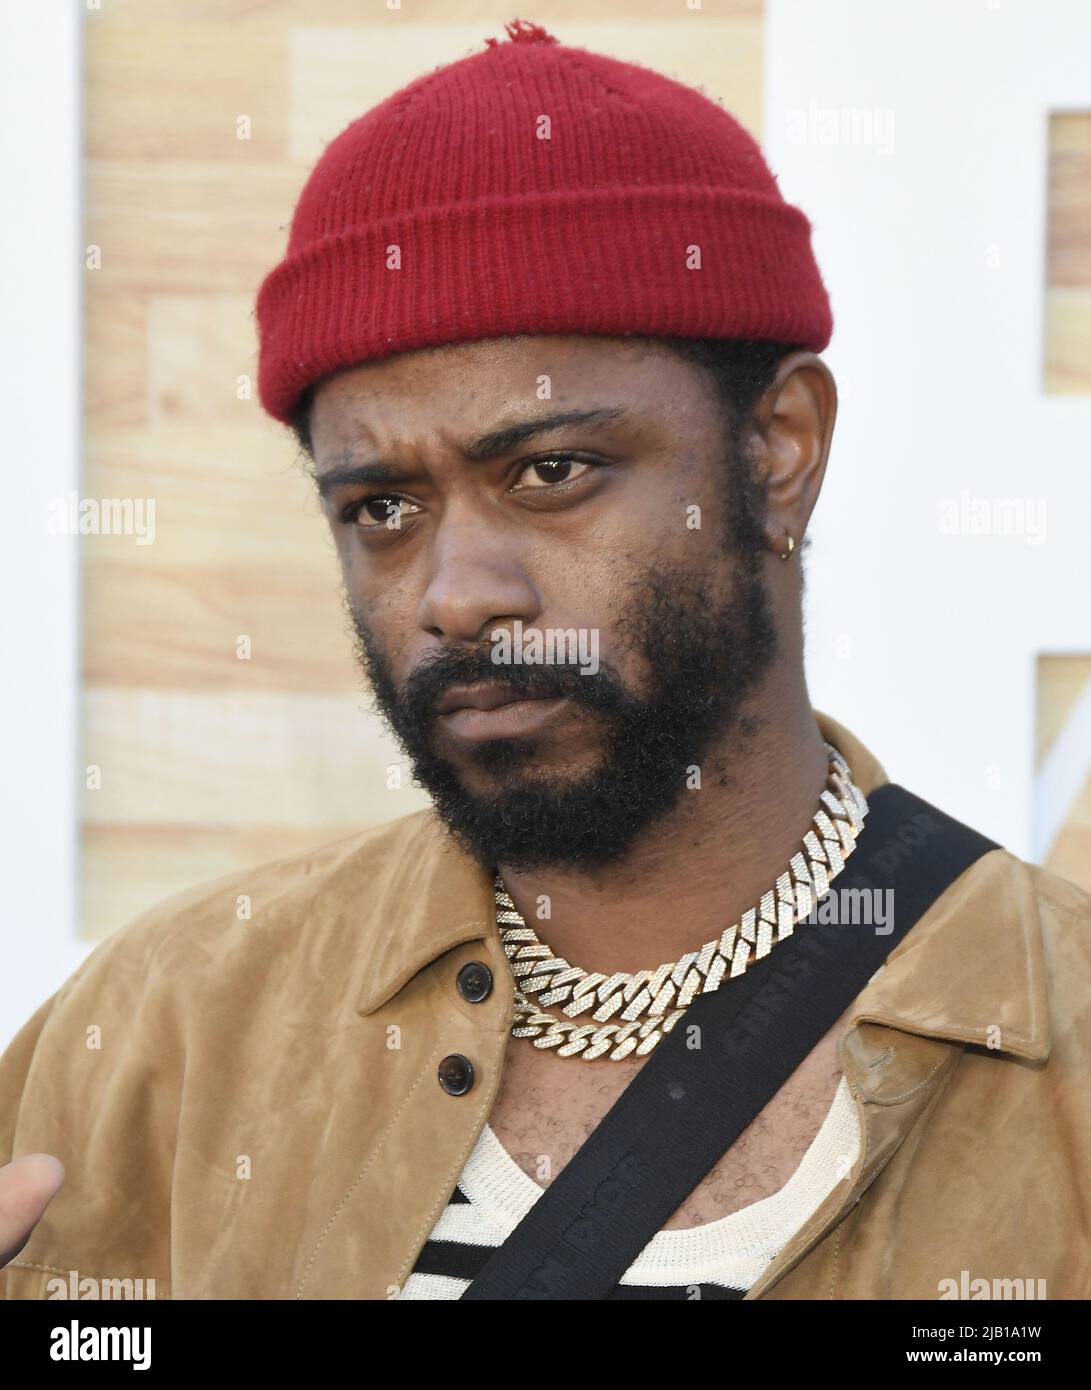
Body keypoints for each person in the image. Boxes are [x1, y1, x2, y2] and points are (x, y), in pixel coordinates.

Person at [2, 19, 1088, 1301]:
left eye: (550, 471)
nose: (457, 597)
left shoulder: (1053, 1048)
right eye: (382, 508)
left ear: (778, 448)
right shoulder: (159, 1035)